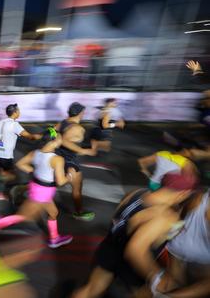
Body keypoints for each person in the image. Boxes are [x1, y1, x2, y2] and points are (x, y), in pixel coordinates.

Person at [71, 171, 199, 298]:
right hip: (132, 263)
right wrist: (156, 276)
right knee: (143, 293)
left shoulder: (137, 193)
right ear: (183, 193)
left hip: (110, 247)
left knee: (91, 289)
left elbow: (117, 219)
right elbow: (135, 250)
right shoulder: (166, 217)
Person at [0, 128, 73, 249]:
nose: (62, 140)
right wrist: (69, 176)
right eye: (60, 138)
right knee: (23, 217)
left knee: (53, 213)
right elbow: (61, 181)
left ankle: (54, 238)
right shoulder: (57, 159)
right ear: (54, 141)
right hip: (43, 192)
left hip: (37, 186)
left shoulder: (35, 153)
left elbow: (20, 164)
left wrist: (35, 171)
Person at [163, 189, 210, 297]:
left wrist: (170, 238)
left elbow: (179, 216)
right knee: (202, 286)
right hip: (201, 256)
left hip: (178, 246)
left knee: (175, 282)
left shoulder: (200, 196)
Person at [55, 102, 97, 221]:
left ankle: (26, 190)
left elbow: (51, 132)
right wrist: (83, 151)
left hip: (56, 157)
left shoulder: (62, 122)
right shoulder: (78, 128)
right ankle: (79, 212)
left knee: (51, 183)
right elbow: (64, 141)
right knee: (77, 189)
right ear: (81, 113)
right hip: (69, 161)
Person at [0, 104, 41, 181]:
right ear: (15, 112)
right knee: (19, 170)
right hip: (7, 157)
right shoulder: (14, 124)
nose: (19, 112)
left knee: (5, 171)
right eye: (18, 111)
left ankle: (1, 178)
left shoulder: (0, 122)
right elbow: (30, 137)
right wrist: (43, 136)